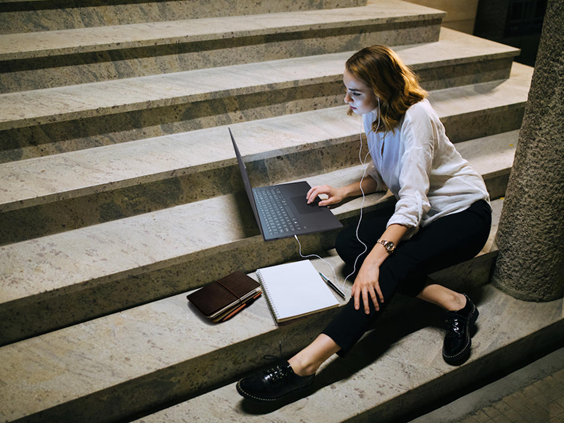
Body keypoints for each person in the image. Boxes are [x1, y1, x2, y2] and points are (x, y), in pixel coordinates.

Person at [236, 45, 492, 402]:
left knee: (387, 264)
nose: (348, 99)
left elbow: (413, 198)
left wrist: (375, 259)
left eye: (356, 92)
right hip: (423, 211)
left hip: (464, 215)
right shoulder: (374, 112)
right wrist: (344, 192)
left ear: (383, 89)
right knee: (347, 243)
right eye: (347, 89)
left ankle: (305, 365)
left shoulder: (418, 117)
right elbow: (384, 174)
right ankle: (455, 303)